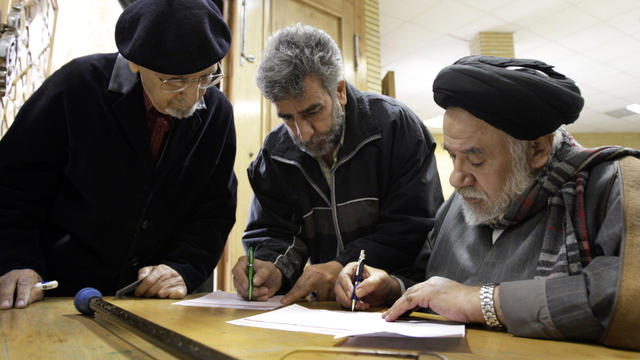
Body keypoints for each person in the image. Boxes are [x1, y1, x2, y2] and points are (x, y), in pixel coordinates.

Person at [335, 55, 640, 342]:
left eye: (475, 160)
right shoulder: (457, 206)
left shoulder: (613, 185)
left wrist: (482, 301)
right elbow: (431, 282)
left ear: (536, 149)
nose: (456, 178)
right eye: (453, 156)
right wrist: (392, 288)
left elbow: (628, 298)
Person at [0, 0, 237, 309]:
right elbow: (13, 187)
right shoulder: (75, 87)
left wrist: (183, 267)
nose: (193, 97)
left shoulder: (216, 113)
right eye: (176, 81)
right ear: (134, 63)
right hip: (59, 295)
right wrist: (16, 260)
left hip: (151, 302)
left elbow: (214, 211)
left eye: (206, 77)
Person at [232, 24, 443, 305]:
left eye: (313, 112)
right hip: (326, 308)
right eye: (287, 118)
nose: (302, 133)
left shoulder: (395, 127)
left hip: (401, 299)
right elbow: (274, 231)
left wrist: (341, 264)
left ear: (339, 91)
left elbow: (413, 226)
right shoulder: (275, 155)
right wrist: (272, 267)